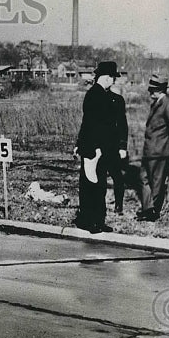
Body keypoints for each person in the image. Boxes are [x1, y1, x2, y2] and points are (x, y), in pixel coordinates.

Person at [74, 61, 118, 233]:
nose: (113, 81)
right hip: (93, 149)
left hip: (98, 148)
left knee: (98, 186)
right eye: (113, 78)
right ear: (106, 78)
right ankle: (89, 221)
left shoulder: (99, 94)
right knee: (91, 185)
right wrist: (94, 147)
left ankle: (97, 220)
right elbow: (92, 125)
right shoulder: (95, 95)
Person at [136, 74, 169, 221]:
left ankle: (152, 212)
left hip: (160, 150)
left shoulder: (168, 104)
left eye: (153, 90)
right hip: (151, 150)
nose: (151, 92)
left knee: (156, 182)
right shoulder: (157, 103)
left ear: (160, 90)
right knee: (144, 178)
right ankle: (147, 209)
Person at [106, 73, 130, 214]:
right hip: (98, 146)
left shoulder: (118, 100)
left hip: (113, 146)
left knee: (117, 176)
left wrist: (122, 146)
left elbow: (123, 125)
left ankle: (118, 205)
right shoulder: (95, 99)